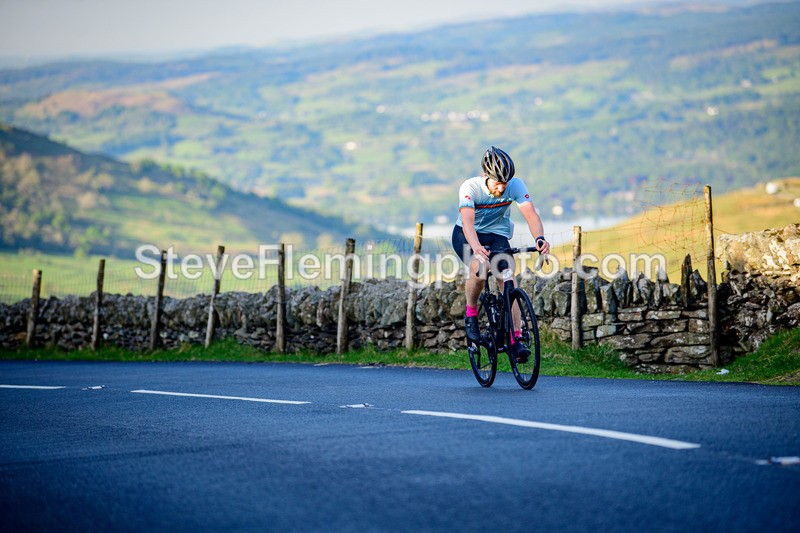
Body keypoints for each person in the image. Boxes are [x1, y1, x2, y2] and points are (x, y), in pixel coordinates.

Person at [451, 146, 550, 362]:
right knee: (480, 269)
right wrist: (476, 248)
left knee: (509, 282)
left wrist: (539, 238)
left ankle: (516, 340)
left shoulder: (515, 185)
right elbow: (467, 222)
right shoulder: (470, 188)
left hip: (497, 235)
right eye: (498, 182)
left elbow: (530, 214)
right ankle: (471, 314)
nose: (502, 187)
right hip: (467, 235)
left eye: (506, 182)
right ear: (486, 175)